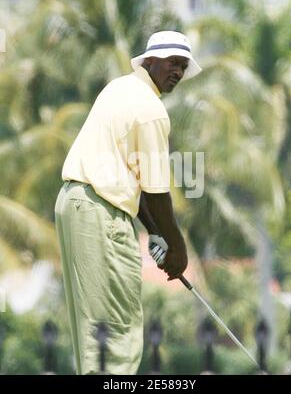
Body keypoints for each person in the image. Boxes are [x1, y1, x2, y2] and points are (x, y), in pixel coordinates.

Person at [54, 30, 202, 375]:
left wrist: (154, 232)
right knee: (117, 332)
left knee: (95, 331)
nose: (178, 72)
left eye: (182, 66)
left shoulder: (120, 87)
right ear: (149, 61)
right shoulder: (150, 109)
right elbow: (155, 190)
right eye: (172, 63)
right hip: (98, 212)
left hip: (75, 204)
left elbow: (129, 176)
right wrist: (178, 250)